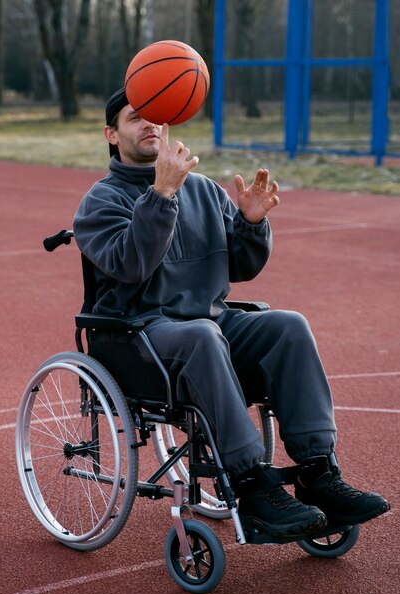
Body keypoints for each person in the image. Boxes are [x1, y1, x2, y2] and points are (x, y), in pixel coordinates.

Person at [73, 87, 390, 539]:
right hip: (137, 335)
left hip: (208, 328)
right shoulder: (100, 201)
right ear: (111, 133)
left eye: (157, 117)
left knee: (287, 325)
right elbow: (131, 265)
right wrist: (160, 195)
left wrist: (252, 224)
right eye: (134, 118)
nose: (150, 125)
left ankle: (318, 473)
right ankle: (249, 482)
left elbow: (241, 266)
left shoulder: (202, 190)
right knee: (202, 334)